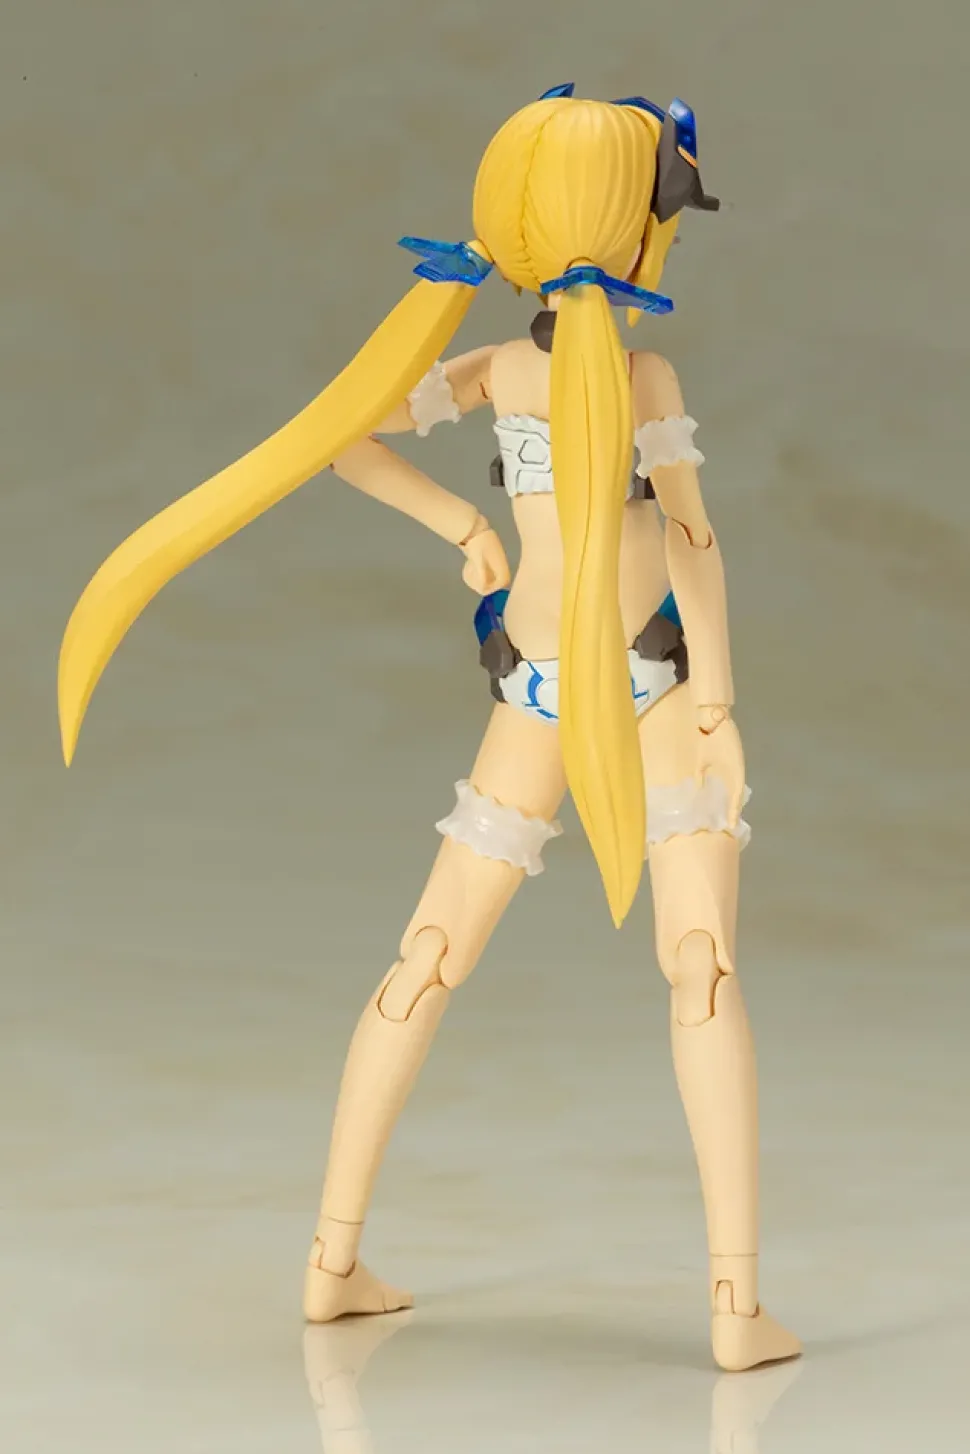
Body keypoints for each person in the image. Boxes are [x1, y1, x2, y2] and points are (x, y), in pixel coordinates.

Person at [58, 86, 801, 1372]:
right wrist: (721, 702)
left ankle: (329, 1260)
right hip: (652, 684)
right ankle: (734, 1307)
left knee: (428, 955)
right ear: (639, 232)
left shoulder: (499, 371)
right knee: (701, 966)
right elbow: (690, 536)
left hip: (534, 688)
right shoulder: (643, 377)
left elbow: (341, 437)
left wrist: (464, 528)